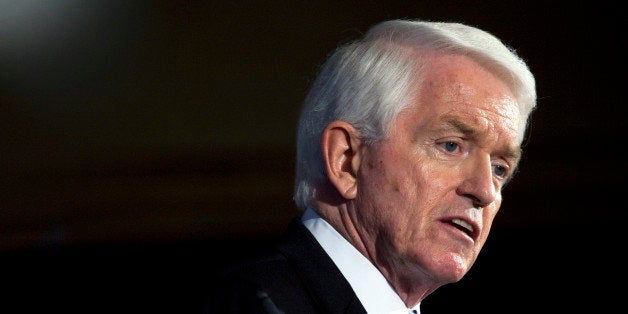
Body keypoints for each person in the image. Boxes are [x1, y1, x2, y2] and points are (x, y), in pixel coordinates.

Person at [205, 18, 537, 313]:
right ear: (346, 159)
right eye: (450, 146)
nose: (484, 191)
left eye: (500, 168)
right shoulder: (255, 304)